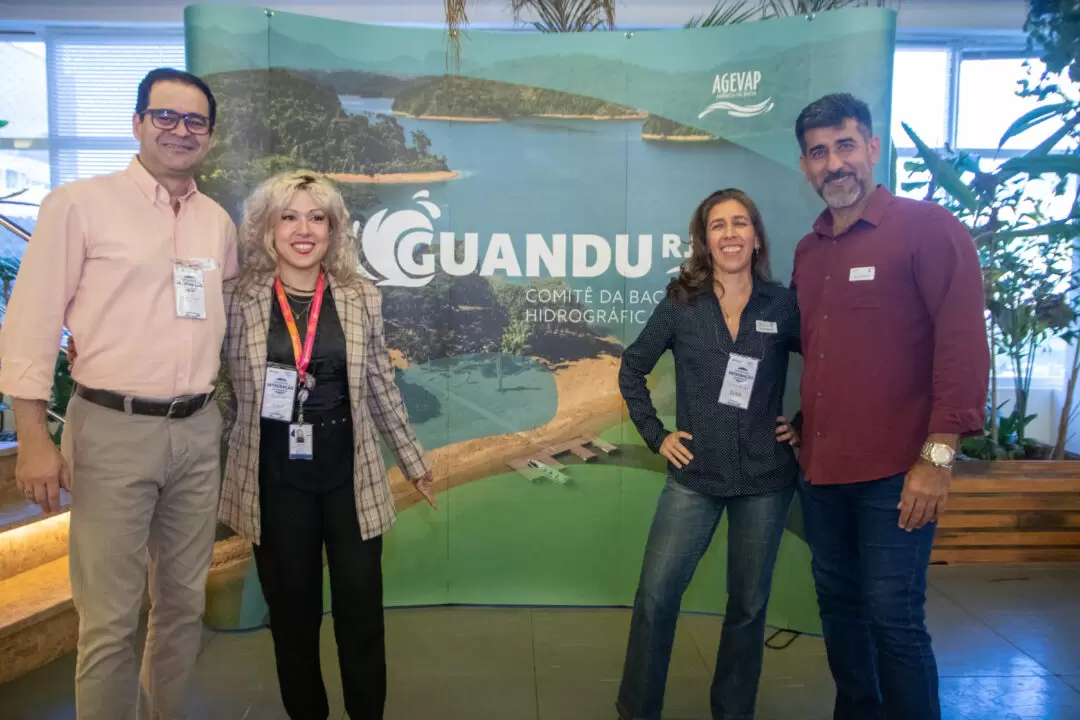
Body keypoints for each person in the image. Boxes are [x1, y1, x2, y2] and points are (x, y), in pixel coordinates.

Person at [0, 69, 236, 719]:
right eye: (165, 116)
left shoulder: (216, 222)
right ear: (137, 123)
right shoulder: (79, 205)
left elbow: (218, 314)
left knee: (182, 603)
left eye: (195, 121)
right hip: (111, 427)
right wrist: (33, 437)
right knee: (109, 618)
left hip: (197, 428)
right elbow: (32, 321)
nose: (180, 130)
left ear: (210, 136)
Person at [790, 93, 990, 720]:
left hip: (898, 476)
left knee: (893, 619)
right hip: (821, 474)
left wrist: (937, 461)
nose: (834, 164)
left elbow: (962, 348)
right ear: (805, 166)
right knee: (838, 610)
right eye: (818, 153)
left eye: (845, 145)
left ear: (873, 149)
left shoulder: (928, 228)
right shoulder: (808, 251)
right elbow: (822, 354)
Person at [217, 169, 436, 720]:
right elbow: (185, 351)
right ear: (267, 228)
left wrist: (413, 462)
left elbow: (380, 384)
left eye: (317, 217)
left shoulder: (361, 295)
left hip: (349, 477)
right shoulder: (236, 298)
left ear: (334, 230)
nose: (303, 230)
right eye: (288, 217)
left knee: (361, 617)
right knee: (293, 622)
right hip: (274, 479)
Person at [616, 188, 801, 720]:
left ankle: (733, 711)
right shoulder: (682, 303)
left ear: (756, 237)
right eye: (718, 225)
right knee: (656, 597)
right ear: (704, 240)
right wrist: (657, 435)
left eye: (740, 223)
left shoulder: (783, 305)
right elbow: (631, 368)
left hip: (766, 481)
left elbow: (831, 368)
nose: (730, 234)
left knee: (748, 607)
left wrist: (804, 425)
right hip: (694, 477)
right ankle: (637, 710)